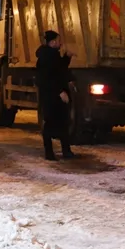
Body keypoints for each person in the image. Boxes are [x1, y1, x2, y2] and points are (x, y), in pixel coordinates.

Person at [35, 30, 74, 161]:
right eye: (58, 40)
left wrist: (67, 57)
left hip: (55, 95)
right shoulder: (46, 58)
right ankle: (50, 153)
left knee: (63, 122)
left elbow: (60, 70)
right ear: (52, 43)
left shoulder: (53, 55)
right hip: (51, 97)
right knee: (51, 123)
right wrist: (59, 92)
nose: (60, 43)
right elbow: (47, 78)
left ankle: (65, 151)